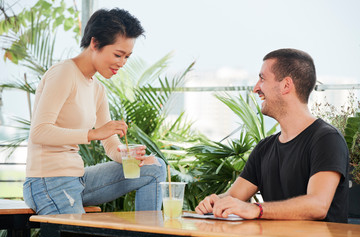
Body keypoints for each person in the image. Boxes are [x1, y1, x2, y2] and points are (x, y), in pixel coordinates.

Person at [23, 8, 166, 215]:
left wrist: (131, 157)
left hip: (78, 178)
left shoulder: (97, 88)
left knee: (155, 168)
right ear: (95, 43)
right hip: (48, 181)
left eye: (127, 57)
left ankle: (149, 234)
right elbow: (39, 132)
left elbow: (110, 145)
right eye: (118, 54)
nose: (122, 63)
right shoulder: (64, 73)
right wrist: (92, 134)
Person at [195, 48, 349, 223]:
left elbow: (318, 205)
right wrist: (215, 202)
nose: (255, 88)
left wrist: (255, 209)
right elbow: (234, 196)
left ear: (286, 85)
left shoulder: (327, 139)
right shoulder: (264, 148)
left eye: (262, 79)